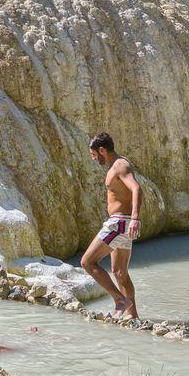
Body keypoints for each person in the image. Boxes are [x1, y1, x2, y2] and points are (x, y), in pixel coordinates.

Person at [80, 132, 142, 319]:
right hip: (123, 223)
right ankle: (133, 317)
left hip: (119, 224)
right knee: (120, 272)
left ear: (102, 150)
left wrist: (135, 218)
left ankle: (119, 300)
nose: (93, 159)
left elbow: (136, 188)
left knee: (87, 262)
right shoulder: (116, 166)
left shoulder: (119, 165)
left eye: (93, 154)